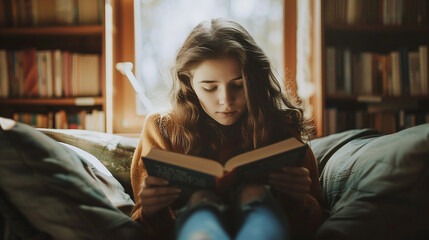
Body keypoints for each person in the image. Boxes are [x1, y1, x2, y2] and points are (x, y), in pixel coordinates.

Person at [130, 18, 326, 239]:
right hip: (192, 224)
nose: (225, 100)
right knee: (201, 202)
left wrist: (298, 200)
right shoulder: (161, 128)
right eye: (210, 87)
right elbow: (141, 225)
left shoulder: (281, 127)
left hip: (266, 220)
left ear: (255, 80)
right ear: (189, 83)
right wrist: (151, 209)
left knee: (255, 194)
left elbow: (315, 220)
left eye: (238, 84)